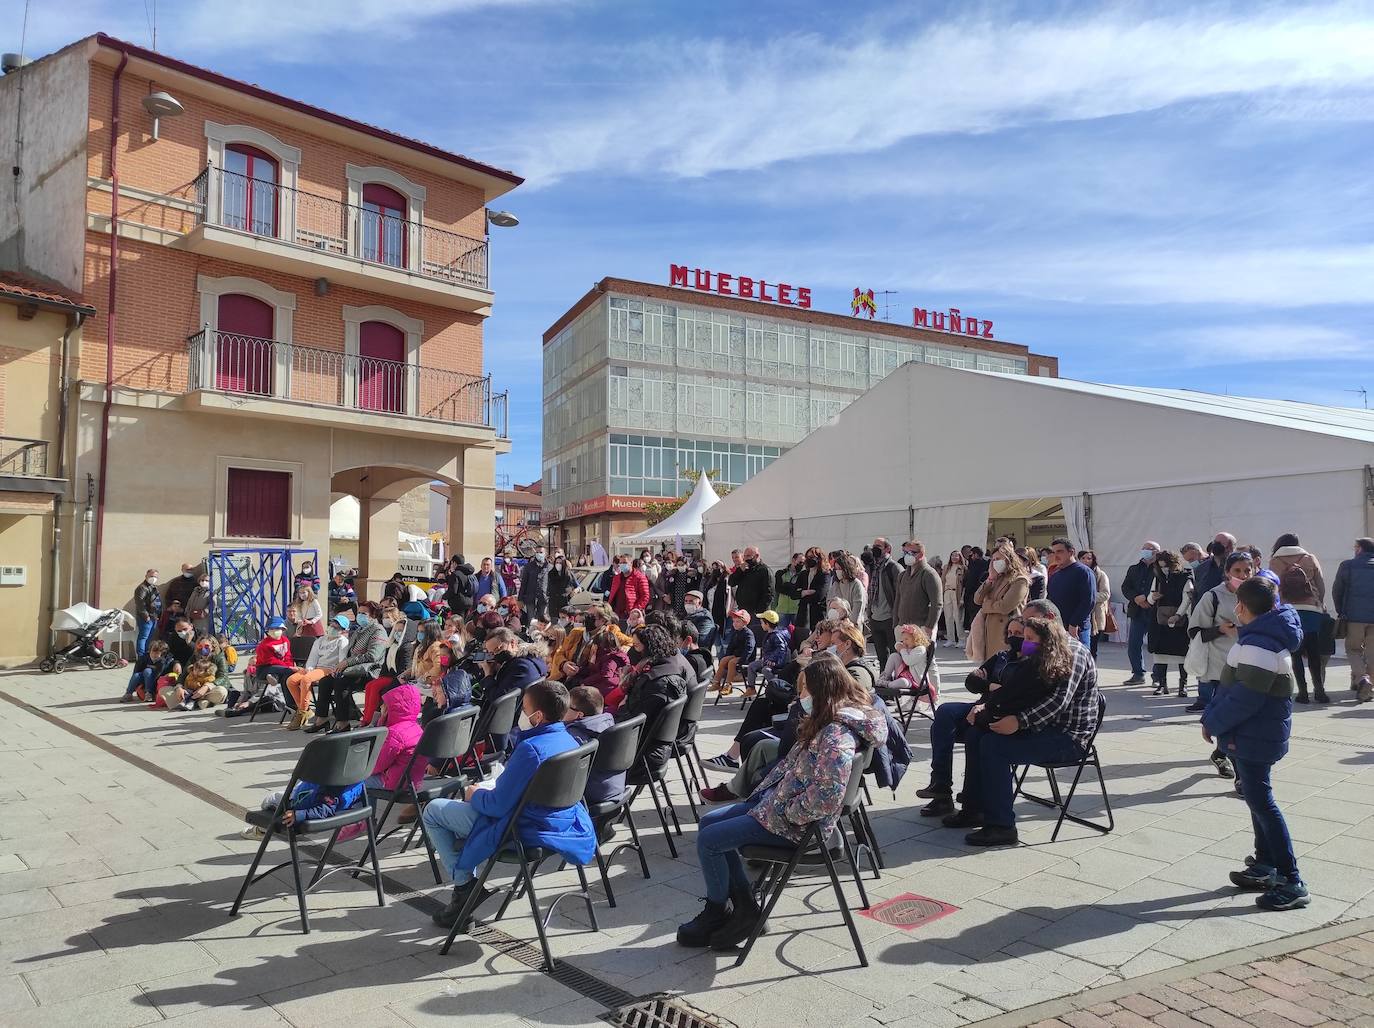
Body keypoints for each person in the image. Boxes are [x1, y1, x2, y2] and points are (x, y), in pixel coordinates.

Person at [677, 653, 887, 949]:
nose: (801, 696)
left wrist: (786, 810)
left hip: (795, 824)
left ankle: (719, 910)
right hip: (779, 804)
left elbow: (825, 797)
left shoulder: (836, 735)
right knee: (709, 822)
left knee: (710, 840)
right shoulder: (833, 719)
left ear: (822, 692)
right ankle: (744, 907)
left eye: (805, 690)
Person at [424, 680, 598, 925]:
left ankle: (463, 888)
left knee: (433, 810)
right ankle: (463, 888)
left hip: (522, 828)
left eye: (524, 709)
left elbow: (496, 805)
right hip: (559, 823)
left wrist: (474, 795)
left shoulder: (531, 748)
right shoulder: (571, 741)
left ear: (537, 716)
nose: (521, 714)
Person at [943, 616, 1101, 846]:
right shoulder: (1039, 656)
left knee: (994, 746)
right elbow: (1018, 692)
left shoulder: (1072, 654)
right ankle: (974, 807)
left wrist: (1019, 721)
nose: (1022, 641)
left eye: (1028, 636)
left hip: (1068, 737)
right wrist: (988, 709)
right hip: (1043, 727)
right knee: (976, 734)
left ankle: (1002, 825)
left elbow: (1057, 702)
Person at [1203, 576, 1310, 911]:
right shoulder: (1264, 636)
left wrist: (1213, 722)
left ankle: (1291, 879)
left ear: (1241, 607)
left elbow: (1245, 698)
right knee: (1255, 797)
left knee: (1261, 800)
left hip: (1253, 732)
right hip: (1255, 732)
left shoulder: (1257, 644)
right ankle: (1266, 865)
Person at [919, 614, 1051, 817]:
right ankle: (940, 786)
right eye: (1010, 633)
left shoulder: (1030, 663)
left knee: (975, 733)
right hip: (981, 706)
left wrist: (992, 691)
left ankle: (973, 798)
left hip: (998, 713)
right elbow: (971, 681)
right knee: (944, 713)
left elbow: (1014, 694)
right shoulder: (1001, 657)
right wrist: (990, 685)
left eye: (1019, 634)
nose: (1014, 637)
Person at [1186, 551, 1252, 776]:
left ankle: (1221, 752)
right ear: (1226, 572)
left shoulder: (1258, 595)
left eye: (1247, 570)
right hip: (1219, 667)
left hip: (1249, 665)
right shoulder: (1213, 597)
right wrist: (1219, 629)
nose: (1243, 575)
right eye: (1237, 571)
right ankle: (1239, 774)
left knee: (1240, 717)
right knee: (1230, 715)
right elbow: (1194, 630)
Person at [615, 625, 690, 784]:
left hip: (642, 757)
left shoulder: (655, 680)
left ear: (649, 647)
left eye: (636, 646)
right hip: (656, 747)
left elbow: (633, 720)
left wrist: (621, 706)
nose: (633, 651)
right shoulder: (670, 667)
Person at [304, 603, 387, 734]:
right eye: (358, 613)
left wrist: (347, 663)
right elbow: (349, 652)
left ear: (373, 615)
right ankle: (322, 719)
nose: (359, 616)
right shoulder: (359, 630)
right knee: (326, 681)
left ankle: (342, 722)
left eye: (363, 613)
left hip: (368, 671)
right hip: (352, 670)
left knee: (340, 683)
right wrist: (341, 665)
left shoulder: (378, 630)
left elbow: (373, 655)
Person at [1269, 534, 1330, 704]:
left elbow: (1272, 586)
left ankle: (1302, 693)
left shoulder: (1275, 561)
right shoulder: (1309, 558)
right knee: (1313, 651)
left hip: (1287, 609)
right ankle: (1320, 691)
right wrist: (1319, 601)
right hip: (1311, 608)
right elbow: (1320, 583)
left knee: (1295, 651)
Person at [356, 606, 420, 729]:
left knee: (374, 687)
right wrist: (380, 677)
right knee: (370, 685)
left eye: (400, 630)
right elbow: (386, 665)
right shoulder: (392, 645)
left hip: (397, 678)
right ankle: (366, 718)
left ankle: (369, 719)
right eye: (396, 630)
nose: (397, 633)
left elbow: (403, 670)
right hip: (388, 675)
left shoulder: (406, 647)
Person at [966, 544, 1030, 664]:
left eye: (999, 559)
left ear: (1009, 559)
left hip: (1007, 631)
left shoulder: (1020, 580)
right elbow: (977, 599)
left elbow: (1005, 606)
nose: (996, 562)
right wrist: (990, 579)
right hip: (989, 631)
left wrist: (986, 606)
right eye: (994, 559)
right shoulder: (995, 578)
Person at [285, 615, 351, 730]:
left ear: (342, 630)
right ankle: (306, 710)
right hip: (315, 667)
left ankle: (302, 712)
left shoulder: (342, 641)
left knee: (306, 680)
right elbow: (313, 657)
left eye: (337, 627)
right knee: (291, 681)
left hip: (329, 669)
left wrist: (335, 671)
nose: (332, 628)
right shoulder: (321, 640)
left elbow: (342, 660)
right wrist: (309, 668)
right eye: (332, 625)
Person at [565, 686, 626, 806]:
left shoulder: (576, 736)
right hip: (615, 788)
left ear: (579, 715)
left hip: (592, 795)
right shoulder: (609, 723)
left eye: (566, 707)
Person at [1148, 550, 1193, 698]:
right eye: (1161, 566)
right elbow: (1150, 597)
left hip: (1179, 620)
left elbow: (1187, 599)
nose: (1164, 569)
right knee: (1160, 653)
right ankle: (1162, 684)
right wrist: (1152, 597)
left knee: (1181, 653)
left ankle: (1183, 684)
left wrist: (1178, 615)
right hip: (1160, 620)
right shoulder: (1157, 578)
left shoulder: (1185, 577)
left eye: (1166, 566)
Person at [1333, 537, 1374, 702]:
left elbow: (1337, 591)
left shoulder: (1347, 566)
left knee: (1353, 649)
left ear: (1359, 549)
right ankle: (1369, 687)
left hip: (1354, 616)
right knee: (1372, 652)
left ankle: (1363, 679)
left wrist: (1340, 611)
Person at [1121, 541, 1160, 685]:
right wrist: (1136, 597)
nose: (1146, 551)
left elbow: (1162, 587)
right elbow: (1126, 587)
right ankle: (1138, 673)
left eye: (1150, 549)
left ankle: (1158, 677)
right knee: (1134, 645)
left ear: (1157, 552)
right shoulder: (1134, 569)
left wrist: (1147, 598)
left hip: (1155, 611)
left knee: (1157, 645)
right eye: (1144, 549)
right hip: (1137, 611)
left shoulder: (1160, 569)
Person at [1046, 538, 1096, 648]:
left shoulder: (1084, 572)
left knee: (1078, 662)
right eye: (1053, 552)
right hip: (1058, 628)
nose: (1056, 555)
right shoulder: (1055, 575)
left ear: (1071, 552)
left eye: (1060, 551)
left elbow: (1089, 601)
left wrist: (1074, 623)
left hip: (1077, 629)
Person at [893, 540, 942, 642]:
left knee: (921, 657)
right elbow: (898, 599)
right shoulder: (902, 576)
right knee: (902, 657)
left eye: (912, 553)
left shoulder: (929, 574)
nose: (908, 555)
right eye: (906, 552)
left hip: (921, 627)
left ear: (921, 554)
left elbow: (937, 604)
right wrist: (896, 623)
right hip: (902, 627)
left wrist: (929, 626)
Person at [567, 627, 630, 707]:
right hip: (599, 683)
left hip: (606, 687)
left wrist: (586, 682)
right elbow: (594, 670)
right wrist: (579, 670)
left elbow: (605, 675)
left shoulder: (612, 659)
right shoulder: (601, 655)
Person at [866, 538, 901, 669]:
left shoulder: (894, 567)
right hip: (875, 616)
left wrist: (897, 614)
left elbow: (900, 592)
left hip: (889, 617)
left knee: (894, 653)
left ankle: (896, 677)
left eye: (878, 546)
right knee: (881, 655)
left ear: (887, 549)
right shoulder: (872, 566)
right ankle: (883, 677)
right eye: (874, 545)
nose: (875, 548)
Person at [743, 610, 789, 697]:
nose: (761, 625)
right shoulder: (769, 634)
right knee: (752, 666)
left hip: (776, 662)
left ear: (767, 624)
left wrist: (773, 659)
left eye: (762, 623)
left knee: (766, 670)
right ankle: (751, 688)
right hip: (767, 659)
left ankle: (777, 688)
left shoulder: (776, 635)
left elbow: (781, 649)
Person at [712, 609, 756, 695]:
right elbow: (731, 646)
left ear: (744, 623)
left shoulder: (748, 634)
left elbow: (749, 648)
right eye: (734, 621)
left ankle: (728, 685)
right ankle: (716, 682)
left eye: (738, 622)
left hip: (746, 657)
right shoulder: (736, 632)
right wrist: (728, 655)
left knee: (732, 662)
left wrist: (743, 660)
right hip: (737, 655)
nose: (735, 624)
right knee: (724, 660)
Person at [1080, 550, 1111, 660]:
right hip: (1079, 614)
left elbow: (1105, 594)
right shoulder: (1077, 573)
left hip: (1095, 616)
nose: (1086, 561)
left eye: (1089, 558)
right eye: (1083, 558)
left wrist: (1089, 596)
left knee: (1092, 648)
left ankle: (1091, 670)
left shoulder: (1100, 574)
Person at [729, 547, 774, 618]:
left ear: (756, 556)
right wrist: (740, 570)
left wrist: (758, 612)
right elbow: (731, 582)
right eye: (745, 556)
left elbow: (769, 594)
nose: (746, 558)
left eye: (748, 556)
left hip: (757, 613)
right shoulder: (744, 569)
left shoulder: (764, 570)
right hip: (743, 611)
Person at [828, 552, 867, 632]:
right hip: (836, 627)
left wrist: (848, 625)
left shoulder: (856, 584)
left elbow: (857, 608)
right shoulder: (835, 585)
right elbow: (829, 603)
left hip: (853, 628)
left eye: (840, 569)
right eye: (836, 569)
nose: (838, 571)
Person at [608, 557, 651, 622]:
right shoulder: (616, 578)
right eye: (620, 563)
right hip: (616, 614)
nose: (622, 565)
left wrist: (635, 610)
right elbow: (612, 595)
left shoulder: (640, 577)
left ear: (631, 563)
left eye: (624, 563)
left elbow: (645, 596)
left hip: (632, 615)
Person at [1195, 533, 1237, 597]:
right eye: (1215, 542)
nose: (1216, 546)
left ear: (1230, 547)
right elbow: (1196, 595)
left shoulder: (1239, 568)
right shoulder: (1201, 569)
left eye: (1220, 543)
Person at [133, 569, 162, 658]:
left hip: (154, 617)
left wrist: (159, 615)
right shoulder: (142, 588)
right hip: (146, 617)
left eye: (155, 577)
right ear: (146, 576)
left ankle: (146, 655)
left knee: (149, 637)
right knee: (144, 637)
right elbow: (140, 603)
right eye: (151, 576)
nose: (153, 578)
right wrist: (146, 615)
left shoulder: (153, 587)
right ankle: (141, 656)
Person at [518, 546, 550, 623]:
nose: (539, 554)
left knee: (543, 619)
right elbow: (524, 583)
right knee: (531, 620)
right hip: (530, 598)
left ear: (545, 554)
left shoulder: (549, 567)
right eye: (537, 552)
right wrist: (520, 599)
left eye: (541, 552)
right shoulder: (529, 566)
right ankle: (531, 634)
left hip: (544, 598)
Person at [774, 553, 804, 633]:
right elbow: (778, 588)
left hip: (796, 609)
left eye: (803, 563)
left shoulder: (802, 575)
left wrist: (787, 585)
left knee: (798, 633)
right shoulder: (781, 573)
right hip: (782, 609)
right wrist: (793, 589)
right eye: (800, 562)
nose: (802, 565)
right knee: (780, 633)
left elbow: (802, 589)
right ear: (793, 560)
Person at [962, 546, 989, 632]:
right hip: (975, 594)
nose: (971, 557)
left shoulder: (979, 564)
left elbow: (972, 580)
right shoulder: (974, 564)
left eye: (972, 555)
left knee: (975, 618)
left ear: (976, 554)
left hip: (975, 594)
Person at [941, 551, 965, 648]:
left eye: (956, 555)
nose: (954, 557)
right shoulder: (946, 567)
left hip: (957, 593)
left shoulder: (962, 568)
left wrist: (962, 597)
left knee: (958, 617)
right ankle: (951, 639)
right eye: (952, 555)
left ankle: (961, 639)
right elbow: (943, 580)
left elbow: (964, 585)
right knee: (948, 616)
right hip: (947, 592)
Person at [547, 551, 575, 618]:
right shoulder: (551, 574)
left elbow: (578, 586)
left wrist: (574, 591)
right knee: (554, 623)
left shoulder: (568, 574)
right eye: (557, 562)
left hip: (564, 603)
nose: (558, 564)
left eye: (560, 563)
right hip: (553, 603)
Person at [187, 572, 213, 639]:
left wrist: (204, 612)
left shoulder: (211, 592)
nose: (204, 582)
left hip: (203, 619)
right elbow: (190, 602)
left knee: (203, 637)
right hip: (192, 617)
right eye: (202, 580)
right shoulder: (195, 591)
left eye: (206, 580)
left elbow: (212, 604)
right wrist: (187, 613)